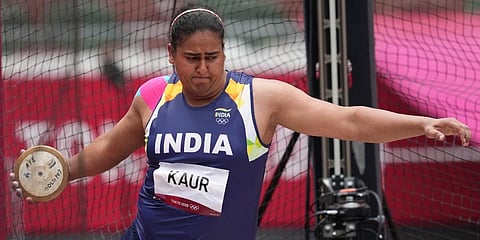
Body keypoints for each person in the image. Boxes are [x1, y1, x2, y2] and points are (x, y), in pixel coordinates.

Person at [10, 3, 471, 240]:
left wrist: (420, 123)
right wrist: (58, 171)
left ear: (225, 53)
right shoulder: (152, 95)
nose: (204, 68)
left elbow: (349, 120)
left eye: (213, 57)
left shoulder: (261, 98)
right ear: (172, 56)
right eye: (192, 59)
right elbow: (105, 151)